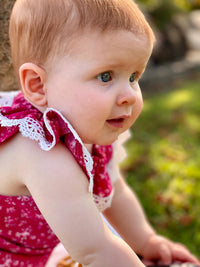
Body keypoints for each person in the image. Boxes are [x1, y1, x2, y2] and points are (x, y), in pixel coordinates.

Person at [0, 0, 199, 266]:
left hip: (50, 249)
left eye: (133, 76)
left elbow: (113, 189)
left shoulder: (90, 130)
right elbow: (95, 250)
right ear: (38, 85)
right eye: (105, 76)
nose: (129, 95)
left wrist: (146, 241)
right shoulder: (40, 153)